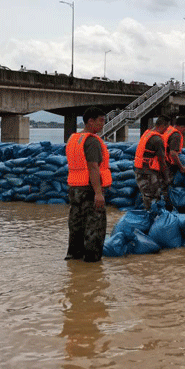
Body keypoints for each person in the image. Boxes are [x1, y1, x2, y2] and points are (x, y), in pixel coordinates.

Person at [65, 106, 112, 262]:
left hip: (74, 189)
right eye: (101, 121)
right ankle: (92, 264)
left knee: (76, 226)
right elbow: (93, 167)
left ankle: (74, 259)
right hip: (89, 190)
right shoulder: (91, 141)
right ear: (90, 121)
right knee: (94, 227)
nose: (103, 124)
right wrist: (98, 193)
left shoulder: (73, 139)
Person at [134, 115, 171, 210]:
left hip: (139, 171)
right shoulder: (157, 140)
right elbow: (162, 160)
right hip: (149, 173)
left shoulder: (147, 134)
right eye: (166, 128)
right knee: (154, 197)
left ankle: (149, 214)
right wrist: (166, 178)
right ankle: (153, 218)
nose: (166, 131)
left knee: (146, 196)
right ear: (163, 126)